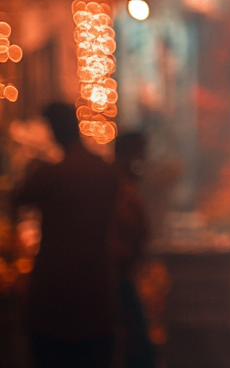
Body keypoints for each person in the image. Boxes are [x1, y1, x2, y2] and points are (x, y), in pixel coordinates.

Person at [13, 101, 119, 368]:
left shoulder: (50, 174)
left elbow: (18, 199)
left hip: (54, 289)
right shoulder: (104, 171)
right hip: (95, 289)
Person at [113, 132, 156, 368]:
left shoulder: (124, 184)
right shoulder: (119, 187)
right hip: (117, 277)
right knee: (137, 346)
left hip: (122, 274)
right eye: (140, 154)